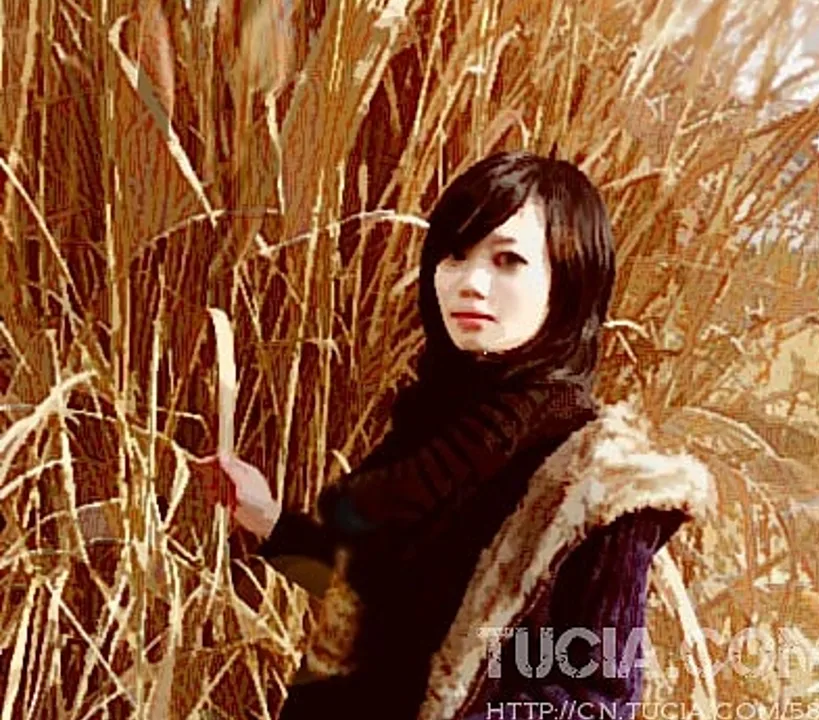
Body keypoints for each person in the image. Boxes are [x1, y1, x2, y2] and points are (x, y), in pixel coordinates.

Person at [205, 149, 715, 719]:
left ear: (569, 280)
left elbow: (597, 701)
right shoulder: (426, 428)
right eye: (455, 254)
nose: (471, 283)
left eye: (508, 260)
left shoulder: (600, 480)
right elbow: (372, 597)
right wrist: (269, 521)